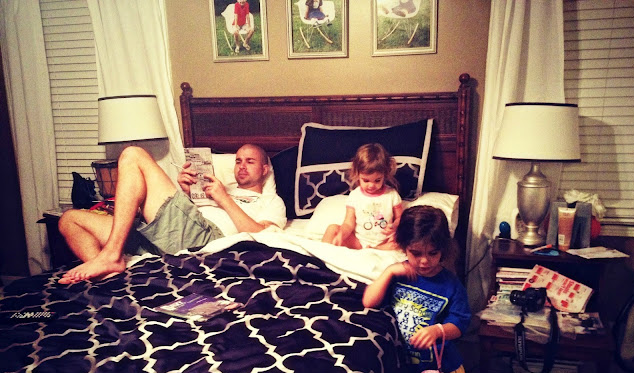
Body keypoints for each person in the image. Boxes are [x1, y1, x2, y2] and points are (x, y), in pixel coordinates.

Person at [362, 206, 483, 373]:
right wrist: (390, 272)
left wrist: (439, 330)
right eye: (415, 253)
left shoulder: (450, 284)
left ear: (444, 250)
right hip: (407, 369)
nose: (424, 261)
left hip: (442, 370)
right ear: (404, 246)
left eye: (433, 253)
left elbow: (461, 323)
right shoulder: (401, 276)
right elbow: (369, 301)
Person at [58, 144, 286, 284]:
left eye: (250, 161)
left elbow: (262, 235)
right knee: (69, 219)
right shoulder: (217, 188)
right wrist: (185, 194)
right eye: (238, 161)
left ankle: (110, 255)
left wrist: (224, 199)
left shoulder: (271, 201)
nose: (242, 166)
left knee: (133, 154)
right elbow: (187, 217)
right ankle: (107, 274)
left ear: (265, 169)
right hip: (172, 236)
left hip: (205, 238)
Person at [322, 143, 402, 250]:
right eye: (366, 180)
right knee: (332, 229)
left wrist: (394, 226)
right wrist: (341, 233)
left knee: (403, 239)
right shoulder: (355, 196)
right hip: (359, 242)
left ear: (385, 175)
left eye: (377, 180)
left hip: (385, 242)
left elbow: (400, 218)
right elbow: (348, 223)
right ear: (357, 174)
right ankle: (320, 258)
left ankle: (376, 249)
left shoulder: (391, 195)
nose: (371, 185)